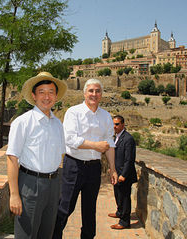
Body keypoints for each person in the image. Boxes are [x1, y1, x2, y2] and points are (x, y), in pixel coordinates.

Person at [53, 78, 118, 239]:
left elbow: (109, 144)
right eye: (91, 91)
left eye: (97, 91)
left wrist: (113, 169)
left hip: (94, 168)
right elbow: (70, 140)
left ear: (101, 95)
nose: (94, 94)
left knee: (90, 210)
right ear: (84, 93)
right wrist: (95, 146)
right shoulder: (73, 112)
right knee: (65, 207)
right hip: (74, 166)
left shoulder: (106, 116)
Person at [6, 72, 67, 239]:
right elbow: (12, 158)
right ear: (33, 96)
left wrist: (58, 186)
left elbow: (60, 157)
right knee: (26, 234)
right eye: (42, 92)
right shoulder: (23, 122)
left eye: (51, 92)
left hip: (53, 184)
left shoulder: (57, 124)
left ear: (56, 96)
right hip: (30, 185)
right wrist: (14, 194)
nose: (46, 97)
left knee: (46, 234)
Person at [108, 115, 137, 229]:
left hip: (124, 175)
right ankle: (119, 212)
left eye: (117, 124)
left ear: (123, 125)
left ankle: (124, 222)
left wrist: (123, 175)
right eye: (113, 124)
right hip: (117, 173)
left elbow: (129, 159)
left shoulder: (128, 139)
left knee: (124, 198)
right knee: (117, 195)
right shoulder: (116, 137)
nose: (114, 126)